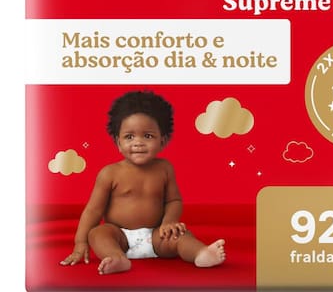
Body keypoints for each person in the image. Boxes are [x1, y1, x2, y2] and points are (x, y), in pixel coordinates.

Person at [60, 90, 226, 275]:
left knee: (181, 235)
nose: (138, 143)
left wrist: (169, 222)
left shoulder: (164, 168)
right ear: (118, 142)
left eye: (147, 136)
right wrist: (80, 242)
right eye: (129, 137)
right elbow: (93, 210)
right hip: (119, 236)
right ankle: (117, 258)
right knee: (98, 234)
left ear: (163, 141)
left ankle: (201, 253)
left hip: (157, 236)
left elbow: (173, 201)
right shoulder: (109, 173)